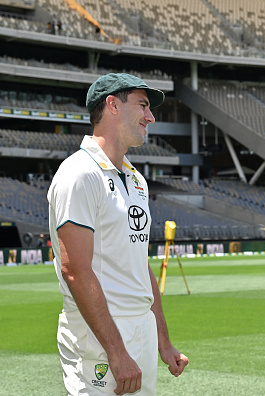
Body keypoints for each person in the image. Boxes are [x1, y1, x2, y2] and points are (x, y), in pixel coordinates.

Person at [47, 73, 188, 395]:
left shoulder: (137, 179)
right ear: (112, 105)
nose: (150, 117)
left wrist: (163, 342)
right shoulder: (79, 173)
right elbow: (75, 271)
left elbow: (139, 265)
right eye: (143, 105)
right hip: (98, 331)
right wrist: (116, 350)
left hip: (141, 327)